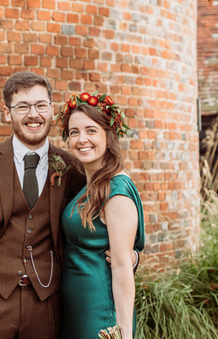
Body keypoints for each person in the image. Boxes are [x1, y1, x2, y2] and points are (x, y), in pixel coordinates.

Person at [0, 72, 137, 339]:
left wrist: (131, 255)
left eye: (40, 105)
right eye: (22, 106)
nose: (33, 114)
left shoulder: (73, 167)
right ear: (7, 113)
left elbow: (110, 215)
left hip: (47, 307)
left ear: (50, 110)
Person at [55, 92, 145, 339]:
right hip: (77, 310)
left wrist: (123, 333)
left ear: (109, 134)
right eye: (74, 132)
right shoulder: (89, 183)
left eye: (91, 130)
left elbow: (121, 265)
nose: (82, 139)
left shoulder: (116, 190)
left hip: (100, 312)